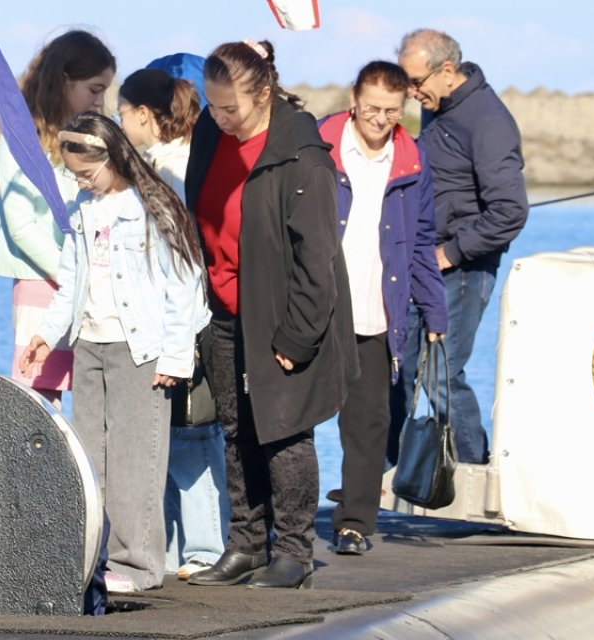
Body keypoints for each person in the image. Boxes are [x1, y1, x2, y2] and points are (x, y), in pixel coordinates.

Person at [183, 39, 356, 590]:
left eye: (230, 107)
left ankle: (295, 552)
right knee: (237, 433)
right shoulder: (213, 133)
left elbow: (318, 256)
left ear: (263, 93)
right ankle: (247, 544)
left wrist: (298, 337)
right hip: (224, 312)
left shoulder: (300, 154)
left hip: (283, 319)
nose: (220, 117)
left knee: (284, 434)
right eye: (212, 105)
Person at [19, 112, 210, 593]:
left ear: (111, 156)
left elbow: (184, 284)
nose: (81, 182)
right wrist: (47, 334)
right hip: (90, 342)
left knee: (135, 457)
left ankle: (139, 565)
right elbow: (71, 278)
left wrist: (173, 356)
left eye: (86, 173)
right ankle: (95, 556)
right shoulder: (83, 208)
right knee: (90, 456)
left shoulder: (154, 205)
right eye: (75, 175)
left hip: (138, 347)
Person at [316, 61, 447, 555]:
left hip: (377, 311)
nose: (379, 118)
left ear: (403, 108)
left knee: (369, 423)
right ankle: (281, 521)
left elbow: (421, 242)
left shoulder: (413, 160)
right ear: (355, 98)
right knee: (296, 418)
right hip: (318, 309)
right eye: (371, 107)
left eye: (391, 111)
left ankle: (354, 523)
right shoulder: (319, 145)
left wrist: (434, 311)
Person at [117, 60, 229, 581]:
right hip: (181, 317)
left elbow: (181, 255)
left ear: (144, 114)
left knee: (190, 435)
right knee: (177, 433)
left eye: (121, 112)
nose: (118, 122)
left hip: (186, 318)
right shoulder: (178, 160)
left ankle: (204, 547)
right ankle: (180, 547)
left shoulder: (168, 170)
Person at [395, 29, 529, 464]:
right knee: (401, 367)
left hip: (464, 270)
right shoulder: (441, 107)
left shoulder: (488, 121)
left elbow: (510, 211)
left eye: (416, 82)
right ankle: (383, 476)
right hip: (424, 260)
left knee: (442, 376)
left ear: (447, 71)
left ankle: (476, 474)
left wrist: (448, 254)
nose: (411, 93)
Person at [0, 30, 116, 404]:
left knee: (95, 394)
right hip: (40, 282)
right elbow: (21, 224)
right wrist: (70, 276)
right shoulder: (21, 136)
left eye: (105, 91)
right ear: (65, 82)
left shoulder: (95, 136)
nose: (100, 101)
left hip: (91, 287)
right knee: (40, 401)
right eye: (94, 89)